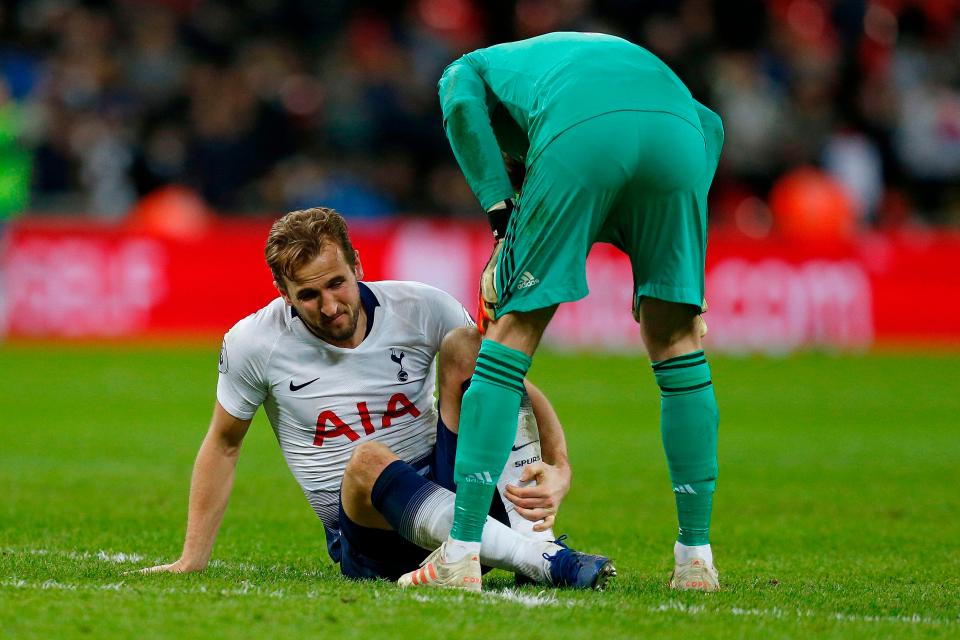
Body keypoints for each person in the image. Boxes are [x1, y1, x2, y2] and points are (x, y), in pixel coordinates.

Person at [139, 207, 613, 590]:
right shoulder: (255, 343)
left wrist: (561, 466)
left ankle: (532, 540)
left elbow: (510, 383)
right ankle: (544, 561)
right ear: (282, 292)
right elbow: (223, 444)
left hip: (462, 502)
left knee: (470, 348)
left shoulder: (421, 307)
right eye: (307, 295)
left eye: (336, 283)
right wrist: (191, 559)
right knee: (366, 459)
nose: (329, 306)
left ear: (358, 265)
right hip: (370, 542)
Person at [401, 32, 724, 592]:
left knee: (509, 337)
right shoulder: (566, 60)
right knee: (678, 345)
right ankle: (695, 557)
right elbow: (710, 126)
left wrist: (503, 218)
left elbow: (456, 97)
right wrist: (683, 254)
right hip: (683, 139)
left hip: (582, 136)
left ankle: (462, 553)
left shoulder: (474, 66)